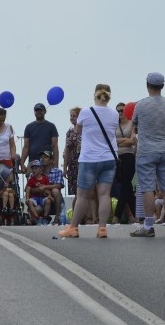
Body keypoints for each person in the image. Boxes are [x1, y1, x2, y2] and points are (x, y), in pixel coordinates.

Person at [59, 83, 119, 238]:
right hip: (109, 158)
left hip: (90, 158)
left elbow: (78, 130)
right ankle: (102, 228)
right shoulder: (114, 114)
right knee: (104, 194)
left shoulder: (86, 111)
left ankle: (73, 228)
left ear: (95, 95)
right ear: (109, 95)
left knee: (83, 195)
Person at [130, 73, 165, 238]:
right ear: (162, 86)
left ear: (147, 85)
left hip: (147, 151)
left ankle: (148, 225)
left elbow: (134, 124)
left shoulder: (141, 105)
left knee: (148, 189)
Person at [112, 102, 137, 224]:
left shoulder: (132, 123)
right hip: (117, 157)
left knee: (125, 184)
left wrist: (120, 141)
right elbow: (111, 141)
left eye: (122, 110)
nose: (120, 113)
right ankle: (133, 216)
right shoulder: (114, 125)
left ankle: (116, 215)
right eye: (118, 111)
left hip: (129, 155)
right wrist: (125, 140)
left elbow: (133, 141)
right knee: (126, 187)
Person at [20, 103, 59, 171]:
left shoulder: (51, 126)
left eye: (40, 110)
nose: (38, 112)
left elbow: (55, 146)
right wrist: (22, 163)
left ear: (45, 111)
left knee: (48, 181)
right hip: (32, 163)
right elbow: (26, 147)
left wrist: (56, 164)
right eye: (37, 110)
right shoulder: (29, 127)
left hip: (47, 164)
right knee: (31, 181)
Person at [39, 150, 65, 223]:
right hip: (41, 198)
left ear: (51, 160)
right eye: (41, 157)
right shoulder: (37, 172)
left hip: (54, 199)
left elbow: (59, 185)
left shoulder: (57, 171)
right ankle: (39, 219)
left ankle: (57, 217)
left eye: (45, 157)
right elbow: (30, 188)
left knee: (55, 190)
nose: (42, 159)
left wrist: (45, 187)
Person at [63, 107, 82, 197]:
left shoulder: (85, 130)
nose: (72, 117)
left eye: (75, 116)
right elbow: (67, 150)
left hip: (83, 163)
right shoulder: (69, 132)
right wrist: (64, 168)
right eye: (71, 116)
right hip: (72, 164)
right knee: (75, 192)